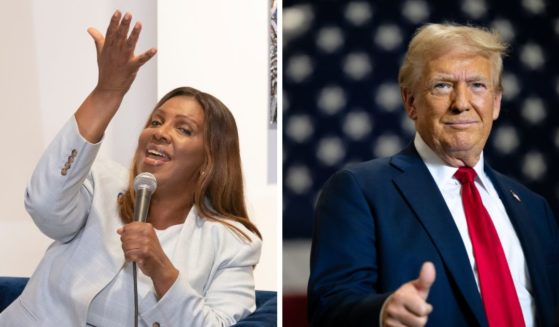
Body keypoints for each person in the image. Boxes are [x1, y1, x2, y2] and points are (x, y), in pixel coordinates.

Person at [0, 10, 261, 327]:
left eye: (184, 129)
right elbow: (43, 205)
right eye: (156, 121)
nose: (160, 132)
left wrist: (161, 268)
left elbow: (219, 324)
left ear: (210, 159)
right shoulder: (99, 182)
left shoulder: (234, 244)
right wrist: (106, 93)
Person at [308, 23, 559, 327]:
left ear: (496, 103)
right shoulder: (360, 191)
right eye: (442, 85)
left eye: (478, 85)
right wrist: (382, 312)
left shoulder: (534, 208)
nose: (461, 103)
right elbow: (329, 307)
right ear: (411, 102)